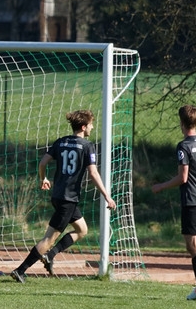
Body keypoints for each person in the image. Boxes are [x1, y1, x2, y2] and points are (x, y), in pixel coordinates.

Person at [9, 109, 116, 283]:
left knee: (82, 230)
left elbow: (42, 163)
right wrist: (107, 196)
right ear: (84, 127)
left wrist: (43, 178)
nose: (92, 127)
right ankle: (20, 270)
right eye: (91, 125)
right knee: (49, 238)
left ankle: (50, 255)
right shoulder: (87, 146)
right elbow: (93, 173)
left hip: (58, 196)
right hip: (68, 199)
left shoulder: (61, 142)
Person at [152, 104, 196, 302]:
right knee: (191, 245)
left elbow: (182, 177)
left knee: (194, 245)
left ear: (181, 123)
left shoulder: (183, 146)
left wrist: (161, 186)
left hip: (192, 199)